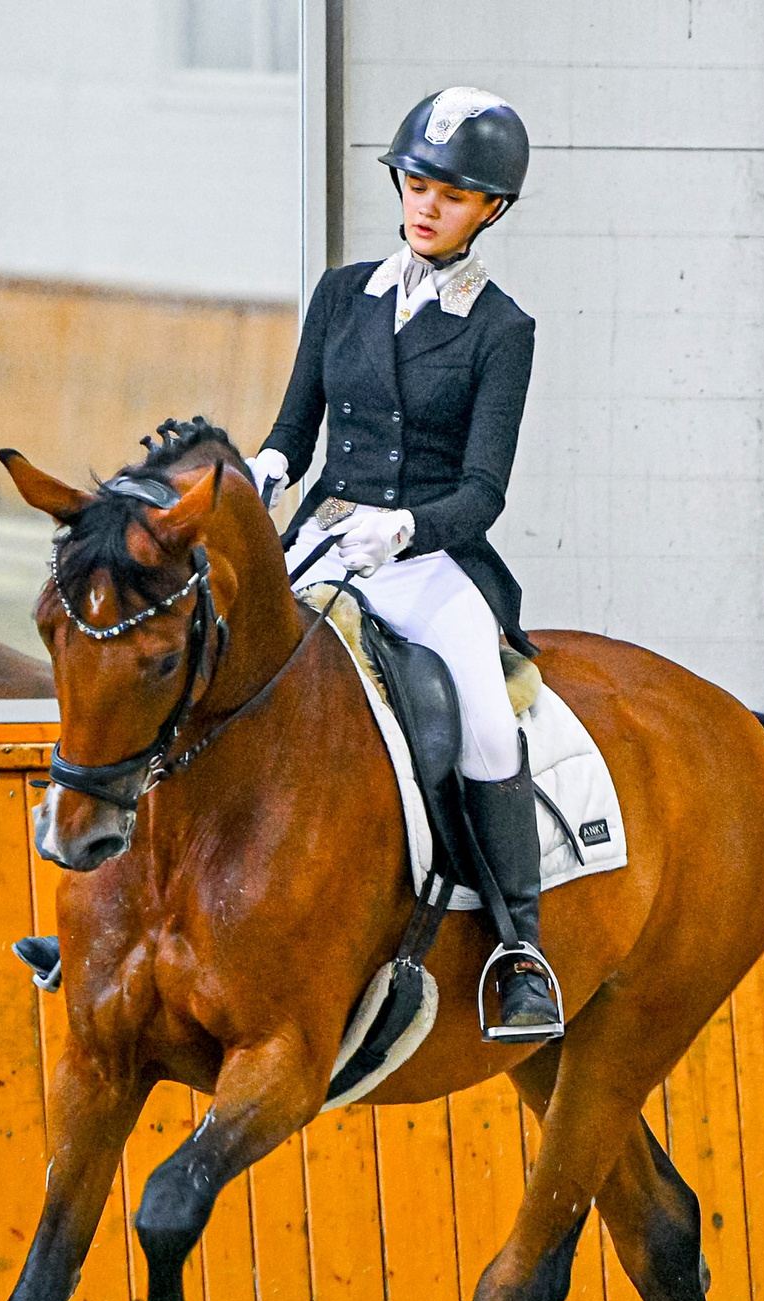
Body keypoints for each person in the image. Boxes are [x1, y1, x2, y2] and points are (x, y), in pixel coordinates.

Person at [253, 87, 559, 1044]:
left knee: (480, 715)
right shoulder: (343, 293)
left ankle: (521, 951)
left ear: (490, 211)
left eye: (453, 195)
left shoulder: (500, 330)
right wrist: (264, 467)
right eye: (416, 183)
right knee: (214, 668)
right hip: (322, 539)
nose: (427, 206)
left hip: (429, 559)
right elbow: (293, 431)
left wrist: (404, 530)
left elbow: (483, 492)